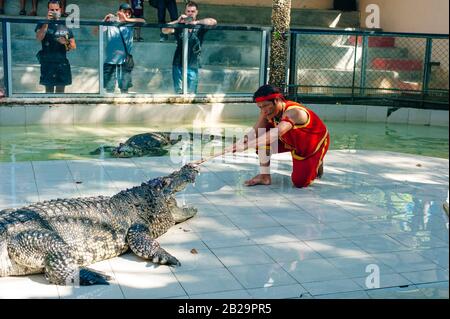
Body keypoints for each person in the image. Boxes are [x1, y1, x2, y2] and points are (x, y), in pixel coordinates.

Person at [216, 84, 330, 188]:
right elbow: (255, 131)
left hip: (311, 145)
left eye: (265, 106)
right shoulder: (267, 112)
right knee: (261, 134)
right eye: (260, 107)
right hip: (290, 140)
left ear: (277, 100)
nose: (264, 111)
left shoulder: (294, 112)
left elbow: (276, 134)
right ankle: (264, 176)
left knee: (299, 183)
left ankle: (318, 159)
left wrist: (247, 146)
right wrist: (240, 143)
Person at [162, 1, 216, 94]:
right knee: (179, 93)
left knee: (192, 93)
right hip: (178, 64)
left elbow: (213, 22)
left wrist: (196, 22)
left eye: (193, 11)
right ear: (185, 12)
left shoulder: (200, 26)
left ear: (196, 12)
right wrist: (177, 21)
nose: (190, 13)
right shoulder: (179, 26)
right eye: (188, 11)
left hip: (193, 64)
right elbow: (164, 30)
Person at [102, 3, 145, 93]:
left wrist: (126, 19)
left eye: (129, 13)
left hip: (124, 61)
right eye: (125, 12)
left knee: (124, 89)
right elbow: (96, 31)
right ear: (119, 11)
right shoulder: (111, 20)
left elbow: (143, 21)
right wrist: (104, 20)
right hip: (110, 60)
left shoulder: (130, 22)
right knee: (109, 89)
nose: (128, 14)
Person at [35, 0, 76, 93]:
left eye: (56, 9)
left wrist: (65, 42)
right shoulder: (42, 23)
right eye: (52, 9)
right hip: (47, 63)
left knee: (60, 94)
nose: (54, 12)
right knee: (48, 93)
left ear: (60, 10)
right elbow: (38, 38)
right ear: (48, 10)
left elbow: (73, 46)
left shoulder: (65, 24)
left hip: (61, 63)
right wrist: (46, 22)